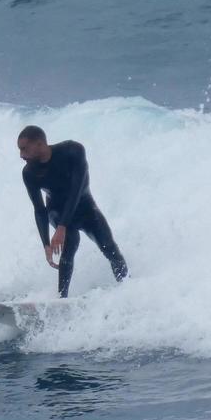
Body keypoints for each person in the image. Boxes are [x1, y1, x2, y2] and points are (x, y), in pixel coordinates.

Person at [18, 125, 130, 298]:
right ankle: (62, 299)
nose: (21, 155)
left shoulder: (72, 151)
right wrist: (46, 244)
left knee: (110, 248)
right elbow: (40, 210)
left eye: (24, 149)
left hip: (85, 207)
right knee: (70, 242)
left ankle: (127, 287)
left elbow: (76, 190)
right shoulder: (29, 173)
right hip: (56, 210)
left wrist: (61, 227)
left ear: (39, 144)